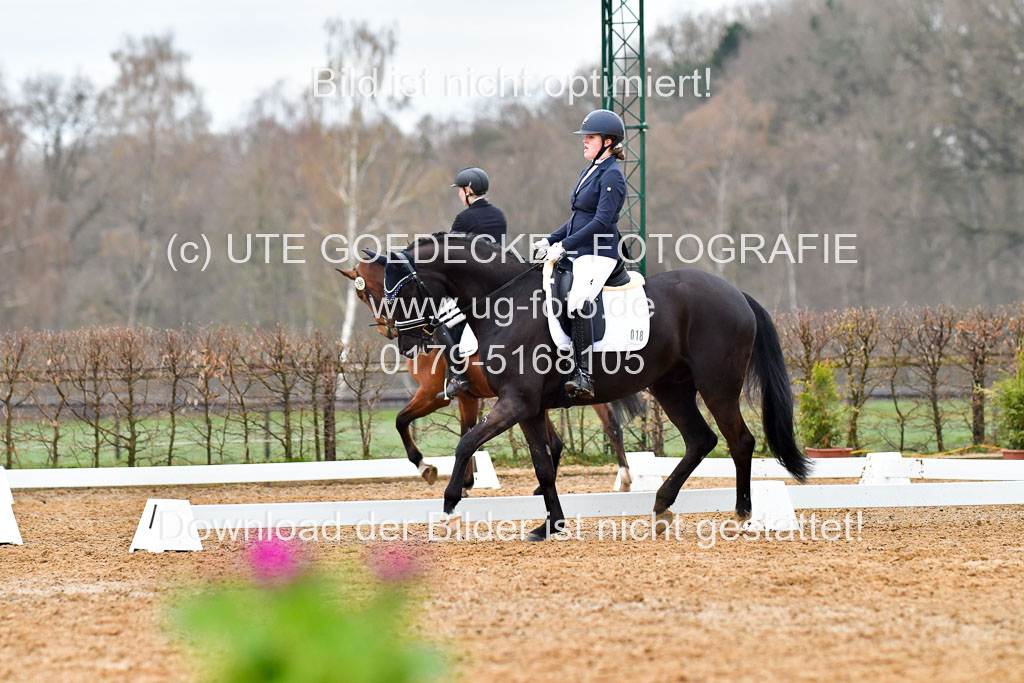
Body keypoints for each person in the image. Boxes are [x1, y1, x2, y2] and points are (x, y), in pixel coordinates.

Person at [532, 109, 627, 400]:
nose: (584, 141)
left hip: (599, 252)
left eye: (591, 137)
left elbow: (601, 222)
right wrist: (550, 238)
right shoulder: (592, 170)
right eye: (585, 137)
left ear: (608, 142)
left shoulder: (612, 176)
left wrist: (565, 245)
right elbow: (578, 217)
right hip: (581, 248)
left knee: (578, 300)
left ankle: (584, 374)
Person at [434, 167, 508, 399]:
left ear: (468, 191)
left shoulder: (464, 218)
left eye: (460, 190)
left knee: (439, 322)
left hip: (474, 288)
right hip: (499, 284)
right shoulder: (499, 215)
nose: (459, 195)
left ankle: (458, 375)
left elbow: (450, 254)